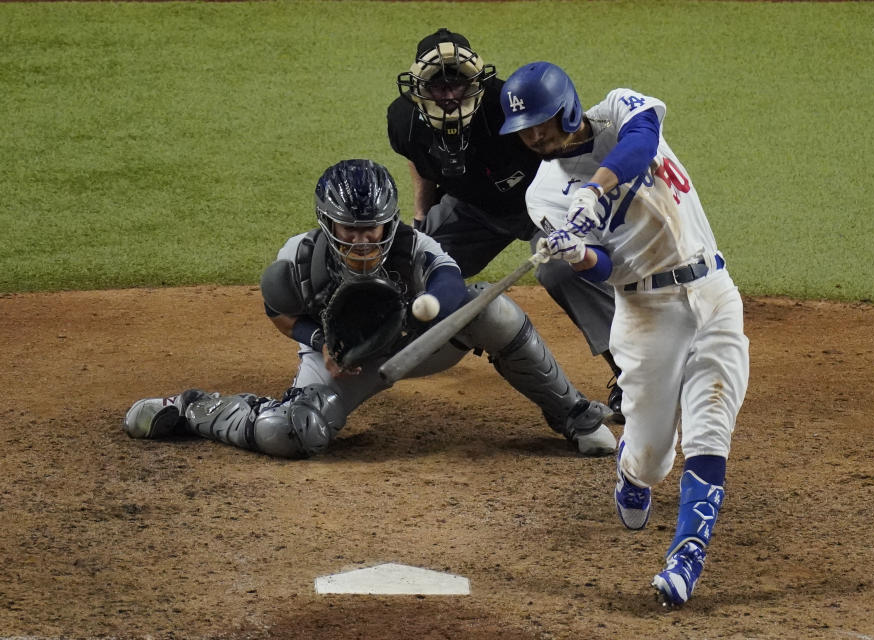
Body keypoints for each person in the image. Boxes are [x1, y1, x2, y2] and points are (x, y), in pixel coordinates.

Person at [124, 159, 617, 458]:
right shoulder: (299, 258)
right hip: (342, 357)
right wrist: (323, 344)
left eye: (373, 228)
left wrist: (423, 310)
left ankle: (575, 417)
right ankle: (193, 408)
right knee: (290, 433)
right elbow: (278, 309)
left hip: (416, 342)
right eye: (351, 230)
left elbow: (450, 283)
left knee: (492, 309)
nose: (363, 240)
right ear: (327, 224)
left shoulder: (413, 246)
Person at [498, 63, 750, 606]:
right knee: (654, 459)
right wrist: (579, 254)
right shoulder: (543, 196)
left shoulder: (617, 110)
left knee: (710, 430)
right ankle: (631, 469)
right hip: (646, 312)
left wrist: (595, 190)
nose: (533, 137)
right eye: (522, 130)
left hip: (714, 292)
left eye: (540, 122)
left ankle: (686, 559)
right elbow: (606, 269)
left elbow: (641, 141)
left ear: (565, 107)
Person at [387, 28, 625, 423]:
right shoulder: (404, 120)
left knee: (563, 269)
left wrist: (582, 211)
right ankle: (372, 351)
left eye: (458, 84)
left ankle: (632, 374)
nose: (449, 95)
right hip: (472, 209)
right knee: (408, 261)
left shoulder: (509, 106)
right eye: (438, 85)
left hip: (544, 206)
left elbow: (565, 143)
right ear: (419, 88)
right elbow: (418, 160)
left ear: (475, 80)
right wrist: (420, 218)